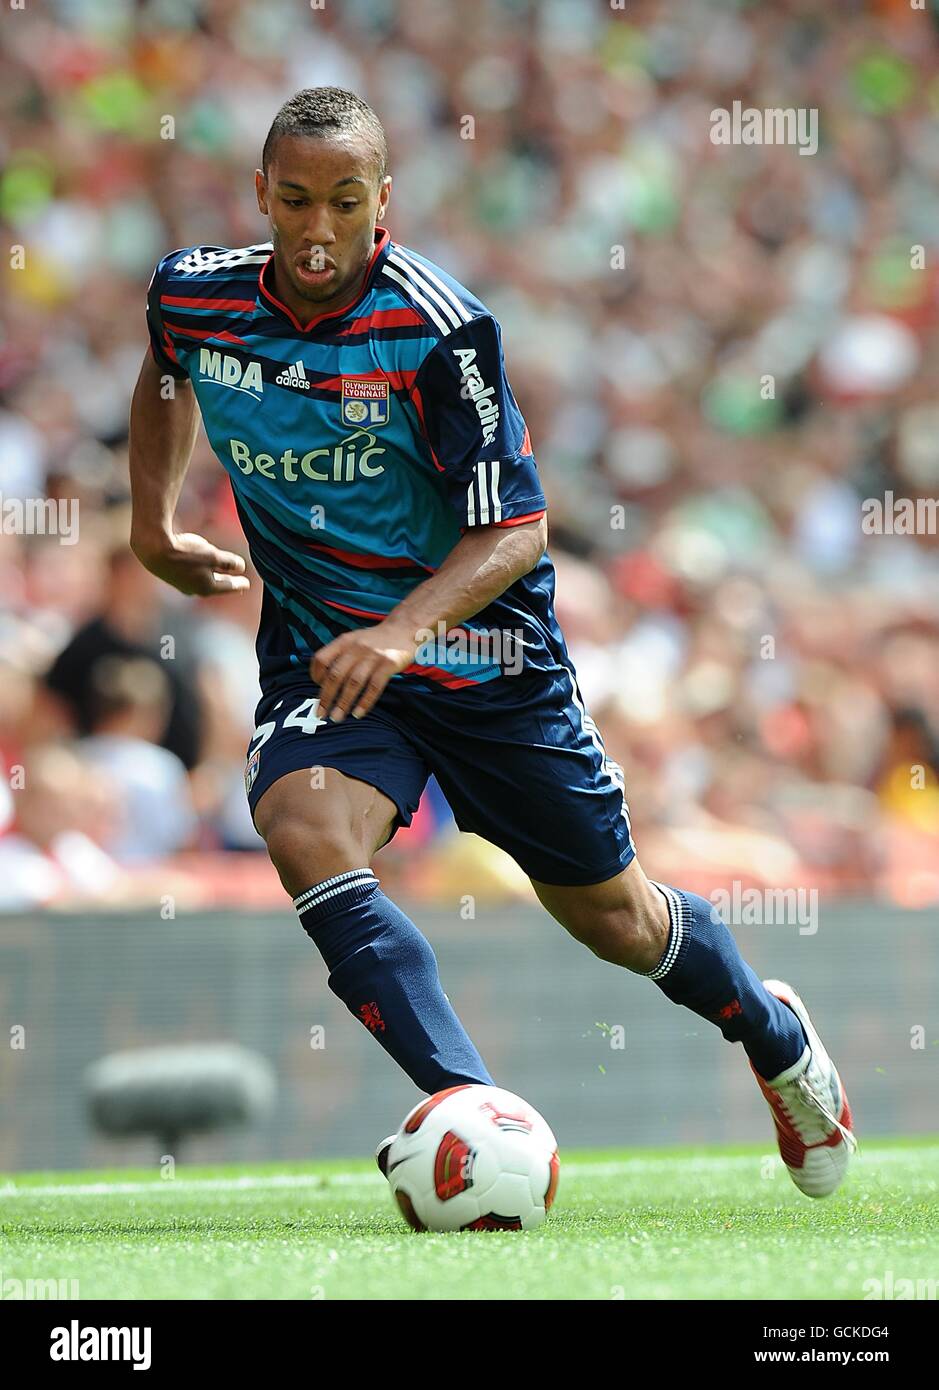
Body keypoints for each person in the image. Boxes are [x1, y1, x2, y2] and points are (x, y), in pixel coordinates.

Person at [129, 87, 854, 1198]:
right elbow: (168, 366)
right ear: (259, 193)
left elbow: (514, 528)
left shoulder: (437, 327)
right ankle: (474, 1114)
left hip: (487, 664)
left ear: (384, 204)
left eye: (344, 202)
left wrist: (406, 627)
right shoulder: (196, 295)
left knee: (619, 921)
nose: (317, 229)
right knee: (300, 824)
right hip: (331, 653)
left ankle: (772, 1031)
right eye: (293, 200)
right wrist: (153, 520)